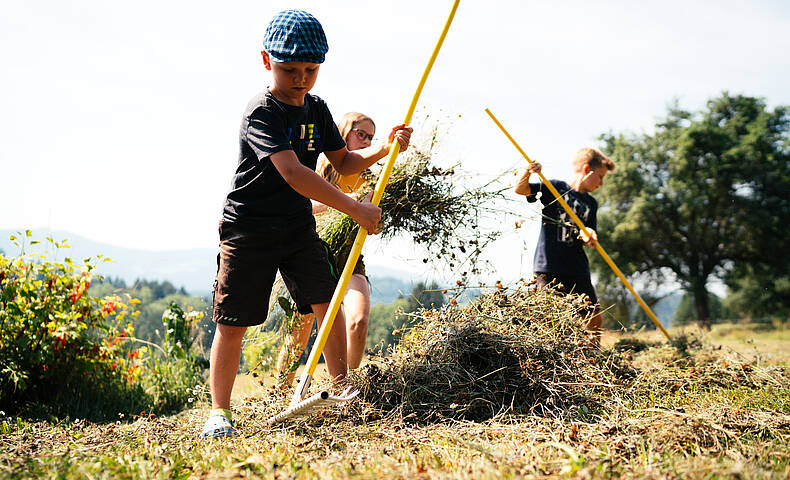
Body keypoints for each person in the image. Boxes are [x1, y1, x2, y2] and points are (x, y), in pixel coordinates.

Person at [201, 10, 412, 439]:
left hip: (297, 228)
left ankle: (341, 394)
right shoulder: (262, 112)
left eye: (310, 70)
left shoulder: (317, 108)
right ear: (267, 61)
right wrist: (354, 209)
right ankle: (219, 412)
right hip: (250, 228)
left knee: (327, 304)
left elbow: (345, 163)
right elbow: (295, 173)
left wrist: (385, 149)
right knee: (233, 320)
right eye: (290, 69)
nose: (300, 79)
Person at [276, 112, 379, 386]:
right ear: (344, 132)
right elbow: (302, 206)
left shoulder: (372, 181)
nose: (367, 140)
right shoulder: (320, 169)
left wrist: (373, 218)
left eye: (371, 137)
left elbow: (373, 222)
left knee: (358, 319)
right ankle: (279, 389)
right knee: (300, 331)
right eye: (361, 134)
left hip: (349, 256)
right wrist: (349, 202)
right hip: (313, 251)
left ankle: (348, 388)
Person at [514, 148, 615, 344]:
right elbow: (520, 189)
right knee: (550, 322)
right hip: (549, 267)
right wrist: (528, 171)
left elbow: (590, 233)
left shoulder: (590, 203)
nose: (601, 183)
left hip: (577, 268)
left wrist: (590, 235)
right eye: (601, 177)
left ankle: (594, 361)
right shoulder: (555, 188)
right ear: (587, 169)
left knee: (594, 319)